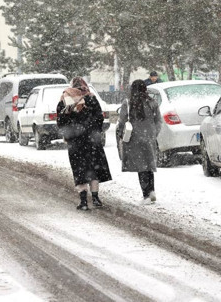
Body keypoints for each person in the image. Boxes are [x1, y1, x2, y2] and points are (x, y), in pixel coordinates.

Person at [57, 77, 112, 210]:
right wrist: (93, 131)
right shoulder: (91, 98)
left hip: (75, 142)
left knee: (79, 170)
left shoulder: (64, 99)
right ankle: (95, 197)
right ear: (84, 85)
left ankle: (83, 201)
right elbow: (99, 118)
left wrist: (69, 132)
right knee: (93, 169)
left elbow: (60, 121)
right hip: (91, 141)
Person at [116, 79, 161, 205]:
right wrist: (153, 133)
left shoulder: (128, 103)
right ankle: (152, 191)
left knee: (140, 166)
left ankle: (146, 194)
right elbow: (158, 120)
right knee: (149, 164)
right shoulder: (152, 102)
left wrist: (121, 133)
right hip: (149, 137)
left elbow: (122, 120)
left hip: (134, 138)